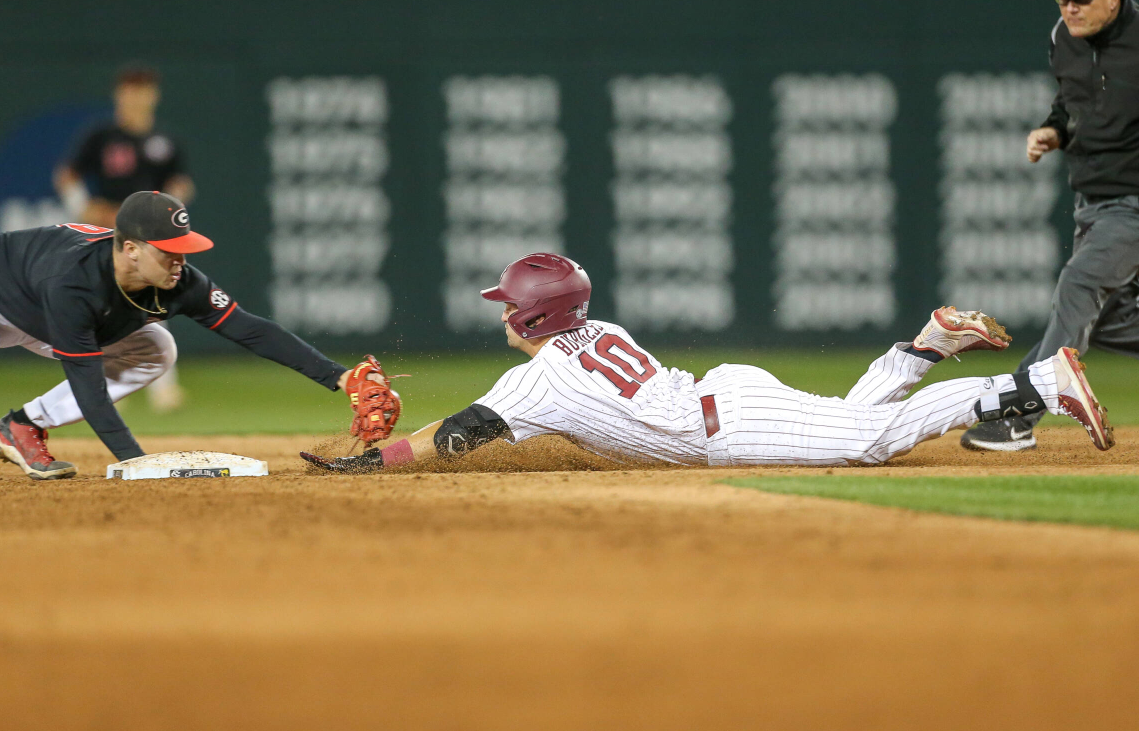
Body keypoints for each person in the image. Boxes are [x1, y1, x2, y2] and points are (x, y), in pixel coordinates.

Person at [302, 253, 1112, 474]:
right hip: (725, 396)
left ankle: (1040, 381)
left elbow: (458, 433)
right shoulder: (595, 326)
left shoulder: (534, 378)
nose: (502, 313)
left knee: (874, 441)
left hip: (727, 422)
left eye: (507, 302)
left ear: (530, 316)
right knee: (855, 421)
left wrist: (375, 461)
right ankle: (923, 347)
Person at [0, 192, 380, 481]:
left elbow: (250, 329)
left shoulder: (180, 281)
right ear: (129, 249)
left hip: (42, 311)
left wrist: (338, 378)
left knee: (158, 350)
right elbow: (86, 382)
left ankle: (21, 427)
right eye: (167, 249)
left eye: (183, 248)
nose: (180, 260)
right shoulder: (73, 284)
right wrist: (135, 461)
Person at [962, 0, 1139, 452]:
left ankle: (1017, 413)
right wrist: (1053, 130)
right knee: (1106, 322)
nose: (1071, 8)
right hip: (1093, 200)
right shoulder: (1065, 38)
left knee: (1078, 284)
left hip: (1134, 203)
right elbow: (1071, 101)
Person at [54, 62, 195, 412]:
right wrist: (82, 207)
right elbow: (67, 174)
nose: (137, 96)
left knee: (154, 306)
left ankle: (161, 387)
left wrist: (169, 210)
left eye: (143, 89)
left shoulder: (164, 141)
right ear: (120, 94)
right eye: (130, 89)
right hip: (111, 229)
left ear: (154, 95)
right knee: (104, 305)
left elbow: (182, 183)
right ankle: (112, 384)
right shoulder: (102, 136)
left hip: (150, 232)